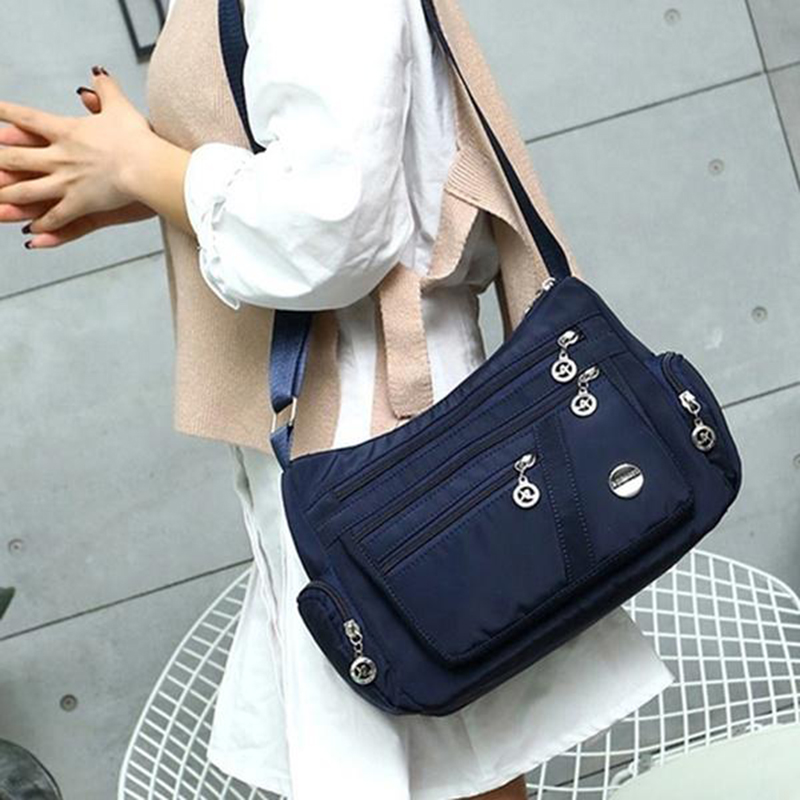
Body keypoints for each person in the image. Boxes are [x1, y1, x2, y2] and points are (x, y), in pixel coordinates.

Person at [0, 1, 675, 797]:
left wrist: (142, 165)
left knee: (447, 770)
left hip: (377, 437)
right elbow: (351, 162)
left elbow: (334, 226)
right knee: (457, 770)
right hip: (361, 441)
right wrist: (140, 178)